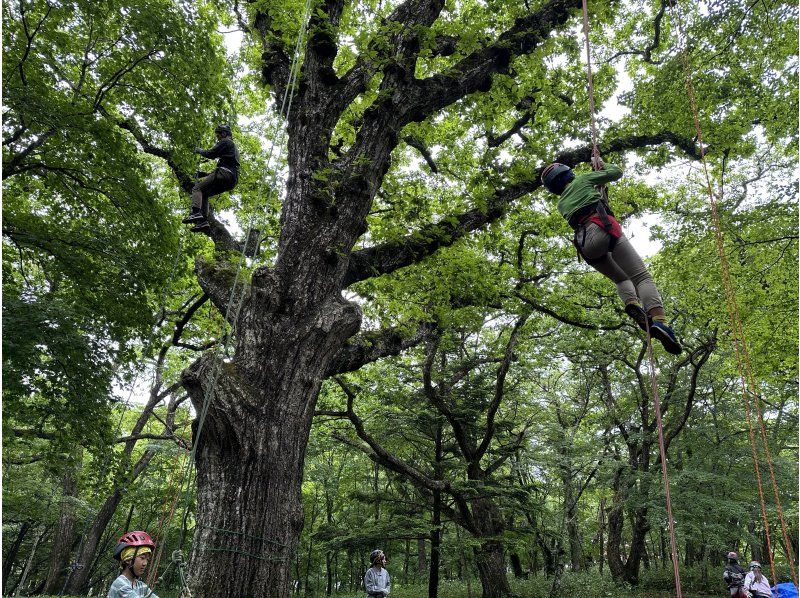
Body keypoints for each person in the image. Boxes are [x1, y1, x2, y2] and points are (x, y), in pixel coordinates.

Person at [541, 158, 681, 354]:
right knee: (641, 277)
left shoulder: (561, 204)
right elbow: (616, 172)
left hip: (585, 245)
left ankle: (632, 304)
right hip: (602, 229)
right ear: (568, 174)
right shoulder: (582, 180)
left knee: (621, 278)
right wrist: (601, 164)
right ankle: (660, 322)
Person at [182, 124, 240, 233]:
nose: (217, 137)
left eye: (218, 135)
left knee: (197, 188)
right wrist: (204, 174)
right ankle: (203, 221)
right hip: (231, 180)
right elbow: (226, 167)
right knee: (205, 193)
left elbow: (211, 154)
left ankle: (195, 213)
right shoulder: (232, 148)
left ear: (224, 133)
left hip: (224, 173)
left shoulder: (226, 142)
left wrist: (199, 150)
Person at [107, 530, 159, 598]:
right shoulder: (120, 584)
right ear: (128, 559)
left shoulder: (141, 586)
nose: (145, 563)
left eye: (147, 559)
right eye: (142, 558)